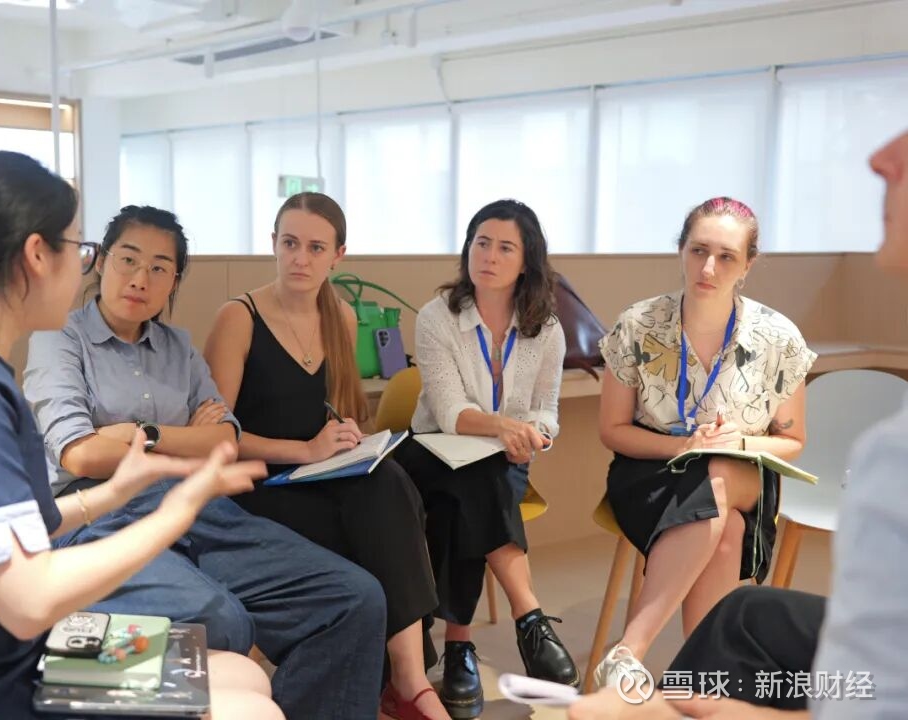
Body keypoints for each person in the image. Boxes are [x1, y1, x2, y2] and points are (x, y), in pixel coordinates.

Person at [0, 152, 282, 719]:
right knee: (250, 709)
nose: (86, 266)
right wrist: (176, 511)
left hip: (0, 655)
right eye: (81, 248)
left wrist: (112, 494)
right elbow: (29, 599)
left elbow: (7, 531)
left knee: (242, 674)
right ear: (37, 255)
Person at [22, 204, 388, 720]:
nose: (140, 278)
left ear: (174, 281)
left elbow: (225, 440)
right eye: (128, 259)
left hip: (197, 507)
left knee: (354, 598)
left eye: (159, 268)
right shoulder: (60, 338)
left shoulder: (178, 347)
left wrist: (141, 434)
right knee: (221, 621)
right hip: (98, 515)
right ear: (101, 261)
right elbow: (81, 453)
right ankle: (84, 657)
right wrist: (185, 439)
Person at [203, 192, 446, 720]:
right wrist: (305, 449)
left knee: (389, 484)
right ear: (273, 243)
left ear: (338, 256)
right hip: (256, 486)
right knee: (377, 526)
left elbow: (340, 408)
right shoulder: (238, 317)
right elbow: (216, 439)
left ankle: (406, 679)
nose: (300, 258)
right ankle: (407, 682)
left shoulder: (341, 315)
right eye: (290, 243)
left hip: (316, 476)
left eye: (316, 248)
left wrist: (347, 436)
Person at [592, 196, 816, 690]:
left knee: (717, 476)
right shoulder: (638, 324)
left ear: (748, 265)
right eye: (698, 251)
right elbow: (613, 430)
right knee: (725, 528)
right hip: (652, 472)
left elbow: (792, 441)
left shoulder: (779, 338)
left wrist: (741, 443)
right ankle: (703, 685)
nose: (708, 268)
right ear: (681, 250)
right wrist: (682, 447)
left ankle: (629, 650)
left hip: (743, 473)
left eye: (726, 256)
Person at [393, 199, 580, 718]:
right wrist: (505, 427)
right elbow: (450, 411)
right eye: (481, 243)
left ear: (527, 261)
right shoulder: (437, 317)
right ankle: (530, 616)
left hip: (499, 460)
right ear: (467, 249)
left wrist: (535, 435)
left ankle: (459, 648)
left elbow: (547, 410)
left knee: (468, 495)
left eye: (505, 248)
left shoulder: (547, 329)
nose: (489, 257)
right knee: (475, 481)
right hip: (432, 449)